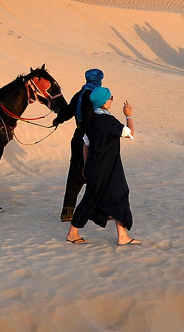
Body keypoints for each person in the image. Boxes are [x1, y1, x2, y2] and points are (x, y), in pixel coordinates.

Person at [65, 86, 139, 245]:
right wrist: (129, 115)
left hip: (95, 167)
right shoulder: (108, 121)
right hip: (108, 168)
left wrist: (86, 166)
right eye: (110, 97)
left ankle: (122, 235)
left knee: (113, 195)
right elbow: (130, 133)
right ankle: (72, 233)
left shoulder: (90, 117)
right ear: (105, 101)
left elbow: (86, 143)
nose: (111, 99)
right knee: (105, 197)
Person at [53, 68, 103, 222]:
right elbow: (94, 118)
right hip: (91, 137)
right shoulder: (96, 96)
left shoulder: (79, 94)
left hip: (77, 137)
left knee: (75, 174)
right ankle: (105, 210)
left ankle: (67, 211)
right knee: (100, 172)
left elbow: (67, 111)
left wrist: (57, 120)